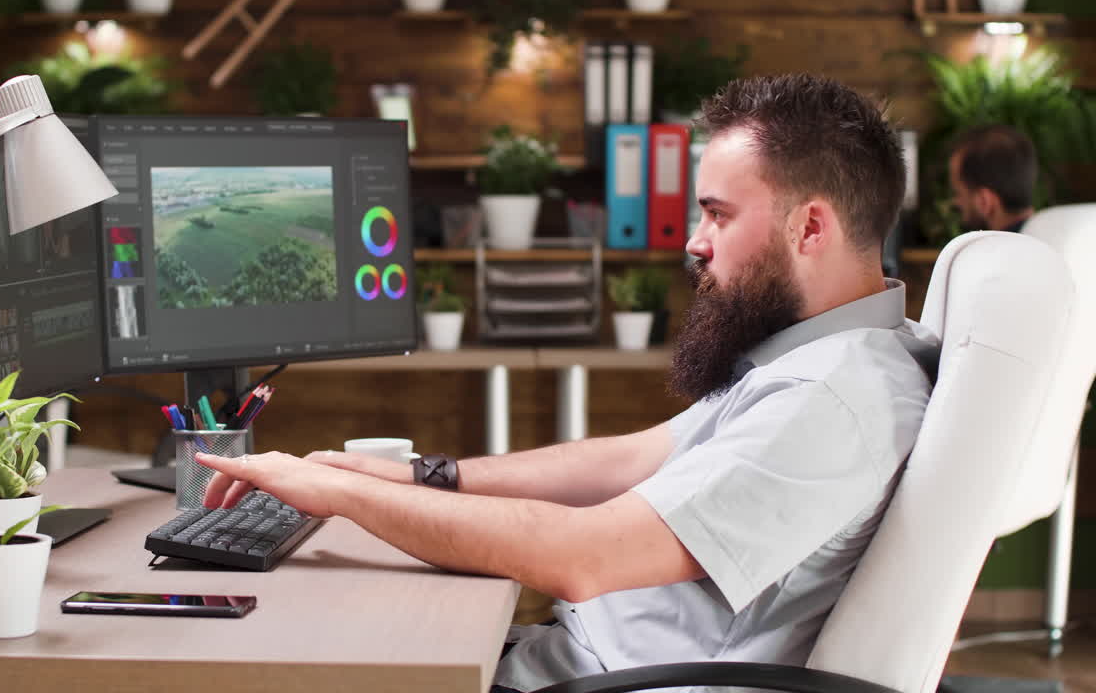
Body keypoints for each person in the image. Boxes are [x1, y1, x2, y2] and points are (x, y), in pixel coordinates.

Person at [195, 74, 940, 692]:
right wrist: (421, 475)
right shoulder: (820, 358)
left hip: (601, 679)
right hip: (579, 659)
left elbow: (582, 555)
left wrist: (344, 496)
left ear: (811, 228)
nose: (694, 242)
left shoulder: (833, 401)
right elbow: (632, 458)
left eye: (718, 215)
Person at [948, 123, 1038, 233]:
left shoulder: (991, 249)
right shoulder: (1052, 240)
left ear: (984, 201)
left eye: (958, 193)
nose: (955, 202)